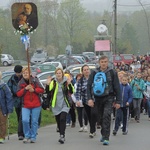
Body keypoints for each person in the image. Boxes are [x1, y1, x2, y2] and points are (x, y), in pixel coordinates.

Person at [87, 55, 121, 145]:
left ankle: (106, 137)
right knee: (100, 118)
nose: (104, 64)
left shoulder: (112, 72)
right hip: (97, 98)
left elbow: (117, 87)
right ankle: (103, 133)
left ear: (108, 62)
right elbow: (89, 86)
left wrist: (118, 101)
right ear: (99, 63)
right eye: (102, 62)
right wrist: (89, 98)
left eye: (105, 62)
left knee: (107, 116)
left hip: (109, 97)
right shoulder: (94, 72)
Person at [45, 68, 74, 144]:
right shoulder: (53, 82)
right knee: (58, 120)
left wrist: (70, 83)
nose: (58, 74)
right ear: (55, 74)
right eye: (57, 73)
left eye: (60, 73)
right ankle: (59, 127)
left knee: (62, 119)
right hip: (56, 104)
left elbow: (72, 91)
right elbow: (48, 92)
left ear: (62, 74)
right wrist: (47, 85)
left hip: (65, 103)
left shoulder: (66, 82)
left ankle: (62, 136)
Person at [16, 67, 44, 143]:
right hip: (26, 105)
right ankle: (27, 135)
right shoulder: (20, 82)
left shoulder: (35, 80)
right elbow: (18, 94)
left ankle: (33, 136)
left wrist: (34, 90)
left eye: (27, 73)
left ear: (30, 74)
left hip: (36, 104)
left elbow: (42, 90)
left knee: (34, 121)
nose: (25, 74)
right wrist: (25, 89)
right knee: (25, 120)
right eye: (24, 73)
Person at [76, 65, 97, 137]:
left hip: (94, 100)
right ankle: (92, 130)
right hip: (86, 101)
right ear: (82, 72)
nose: (86, 71)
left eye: (87, 69)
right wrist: (78, 100)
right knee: (89, 116)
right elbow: (78, 91)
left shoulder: (94, 78)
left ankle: (92, 130)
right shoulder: (81, 81)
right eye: (84, 70)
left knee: (94, 114)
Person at [7, 65, 24, 140]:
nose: (18, 74)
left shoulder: (24, 78)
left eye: (19, 72)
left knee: (23, 117)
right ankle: (21, 132)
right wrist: (13, 94)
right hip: (16, 101)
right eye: (17, 72)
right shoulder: (12, 79)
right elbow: (9, 89)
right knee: (19, 116)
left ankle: (21, 133)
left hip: (24, 100)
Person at [0, 71, 13, 144]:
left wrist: (9, 108)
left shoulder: (4, 86)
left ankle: (1, 137)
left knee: (2, 123)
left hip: (2, 108)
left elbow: (9, 97)